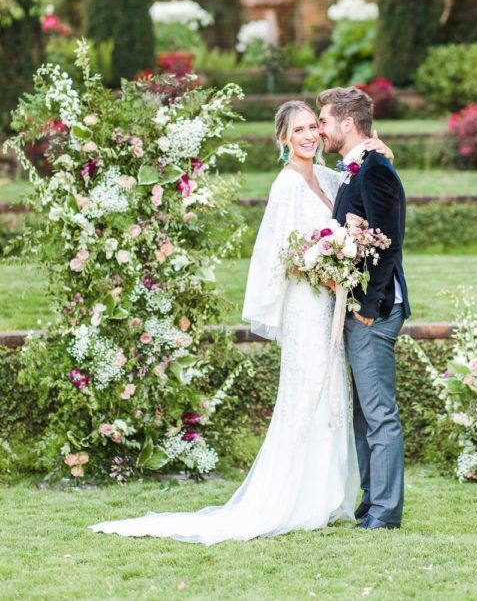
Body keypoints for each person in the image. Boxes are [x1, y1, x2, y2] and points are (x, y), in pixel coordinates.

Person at [89, 99, 394, 544]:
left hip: (331, 305)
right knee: (305, 396)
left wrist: (377, 151)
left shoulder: (329, 178)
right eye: (299, 130)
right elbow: (278, 255)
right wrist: (322, 266)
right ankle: (292, 500)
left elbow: (360, 187)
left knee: (331, 398)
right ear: (283, 140)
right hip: (306, 308)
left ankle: (323, 497)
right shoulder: (286, 185)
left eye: (314, 126)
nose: (309, 135)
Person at [317, 86, 410, 531]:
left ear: (348, 124)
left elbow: (389, 242)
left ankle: (385, 512)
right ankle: (371, 503)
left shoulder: (374, 170)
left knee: (379, 414)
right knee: (363, 415)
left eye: (325, 121)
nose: (321, 129)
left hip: (373, 310)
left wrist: (368, 308)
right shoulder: (361, 167)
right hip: (357, 307)